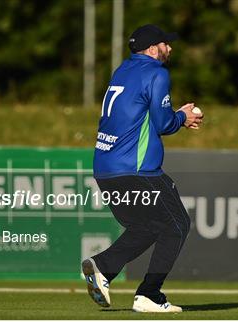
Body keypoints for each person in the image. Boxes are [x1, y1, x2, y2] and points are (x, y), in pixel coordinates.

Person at [82, 24, 203, 313]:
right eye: (165, 44)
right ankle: (149, 294)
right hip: (137, 170)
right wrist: (182, 116)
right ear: (152, 49)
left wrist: (175, 116)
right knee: (178, 224)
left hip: (105, 168)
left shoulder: (122, 71)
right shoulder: (157, 73)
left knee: (149, 226)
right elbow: (162, 124)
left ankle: (103, 267)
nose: (169, 48)